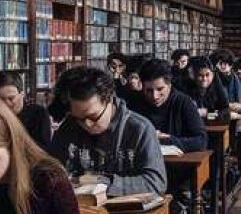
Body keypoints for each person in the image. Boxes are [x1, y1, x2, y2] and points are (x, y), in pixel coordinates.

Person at [47, 66, 167, 196]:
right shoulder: (69, 127)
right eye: (79, 119)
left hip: (127, 212)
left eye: (93, 117)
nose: (87, 124)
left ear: (109, 99)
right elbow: (50, 173)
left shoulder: (140, 129)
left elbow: (156, 183)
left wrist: (103, 183)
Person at [128, 59, 208, 152]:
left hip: (177, 164)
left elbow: (201, 141)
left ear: (169, 85)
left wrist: (169, 139)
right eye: (149, 90)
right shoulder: (134, 102)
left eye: (160, 89)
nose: (155, 96)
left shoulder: (184, 102)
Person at [0, 71, 53, 147]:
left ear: (22, 95)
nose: (5, 104)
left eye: (11, 98)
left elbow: (42, 150)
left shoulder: (38, 114)